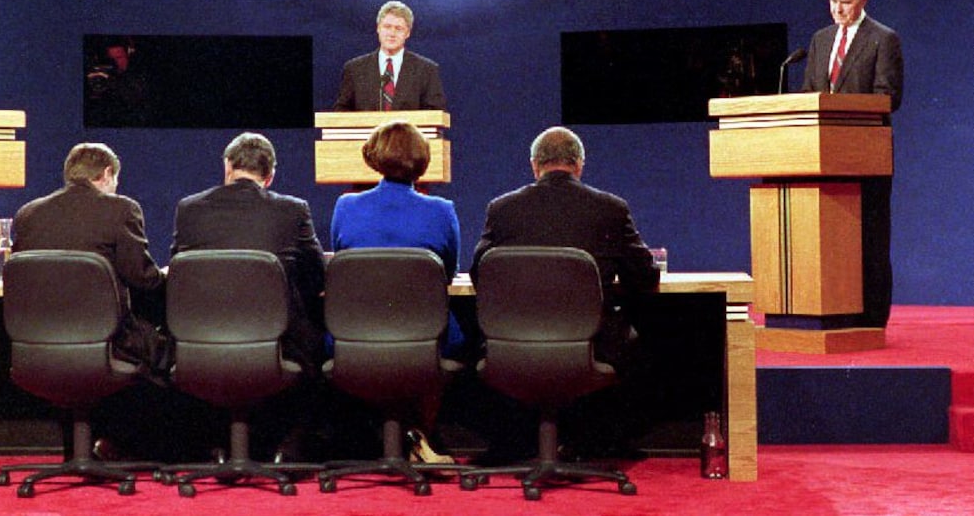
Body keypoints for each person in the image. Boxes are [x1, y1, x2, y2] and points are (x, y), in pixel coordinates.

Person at [469, 126, 660, 459]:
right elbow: (644, 276)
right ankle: (598, 441)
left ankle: (517, 442)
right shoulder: (611, 209)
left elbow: (479, 273)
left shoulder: (502, 209)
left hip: (513, 344)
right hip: (587, 347)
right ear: (580, 165)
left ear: (534, 165)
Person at [170, 132, 327, 460]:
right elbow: (316, 276)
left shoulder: (189, 209)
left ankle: (213, 446)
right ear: (269, 176)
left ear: (227, 167)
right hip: (275, 343)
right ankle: (287, 447)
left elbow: (177, 273)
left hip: (201, 340)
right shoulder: (294, 210)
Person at [329, 119, 462, 463]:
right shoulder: (442, 212)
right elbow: (445, 275)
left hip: (355, 333)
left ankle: (392, 438)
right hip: (424, 334)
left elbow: (342, 268)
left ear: (375, 158)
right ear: (422, 161)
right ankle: (419, 435)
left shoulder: (346, 206)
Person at [801, 0, 904, 327]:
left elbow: (888, 98)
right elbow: (809, 97)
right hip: (823, 161)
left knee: (869, 243)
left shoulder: (883, 38)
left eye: (845, 2)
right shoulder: (820, 40)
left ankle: (872, 320)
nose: (838, 10)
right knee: (832, 244)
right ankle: (836, 314)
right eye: (832, 2)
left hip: (864, 158)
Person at [12, 142, 168, 374]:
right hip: (108, 344)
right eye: (115, 180)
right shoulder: (121, 209)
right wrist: (164, 276)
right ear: (107, 173)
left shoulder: (27, 214)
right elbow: (142, 278)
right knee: (172, 353)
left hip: (36, 346)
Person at [333, 0, 446, 112]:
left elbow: (435, 112)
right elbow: (341, 110)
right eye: (387, 27)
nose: (392, 34)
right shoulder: (354, 69)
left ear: (408, 33)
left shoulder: (426, 70)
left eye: (398, 28)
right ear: (378, 28)